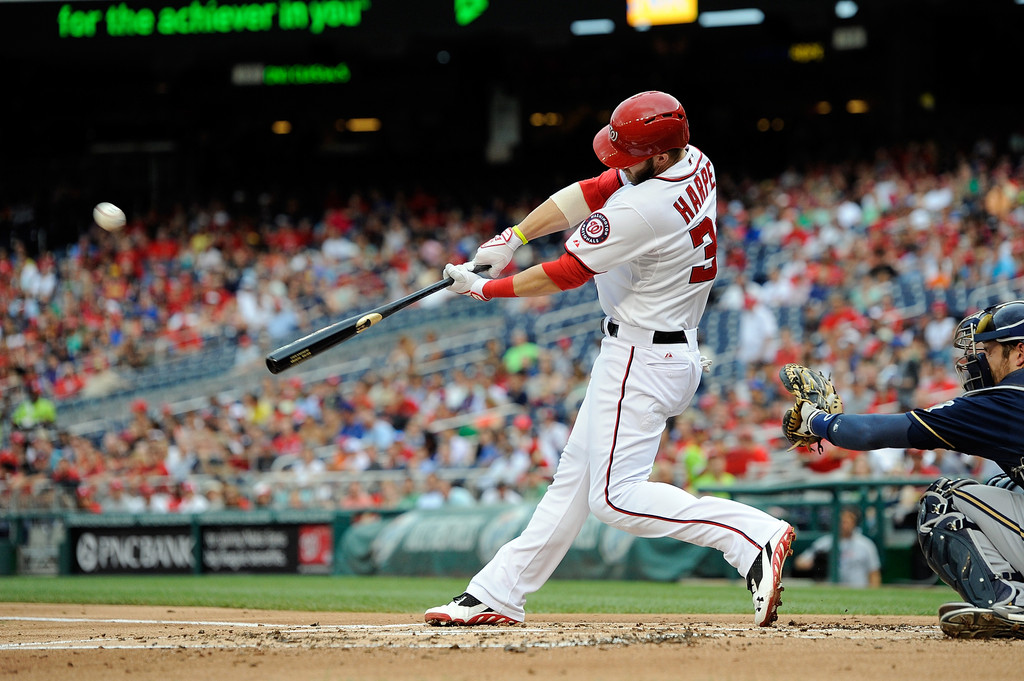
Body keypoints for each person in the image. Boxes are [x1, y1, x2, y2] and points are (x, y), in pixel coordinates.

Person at [426, 91, 795, 629]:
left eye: (629, 154)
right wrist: (515, 235)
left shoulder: (643, 208)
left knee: (613, 500)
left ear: (661, 155)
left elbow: (568, 272)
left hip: (641, 356)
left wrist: (486, 288)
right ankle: (499, 592)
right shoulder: (694, 161)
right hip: (657, 347)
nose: (618, 163)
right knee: (573, 481)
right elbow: (591, 189)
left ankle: (752, 536)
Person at [783, 300, 1024, 638]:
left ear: (1020, 353)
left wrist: (816, 419)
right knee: (1004, 485)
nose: (980, 359)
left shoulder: (1007, 399)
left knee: (943, 499)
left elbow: (874, 432)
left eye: (989, 349)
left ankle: (1014, 602)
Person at [794, 507, 881, 588]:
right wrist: (814, 562)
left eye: (847, 521)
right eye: (841, 521)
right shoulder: (825, 542)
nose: (844, 525)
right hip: (831, 590)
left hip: (858, 589)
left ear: (854, 523)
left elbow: (874, 573)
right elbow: (799, 563)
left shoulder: (865, 544)